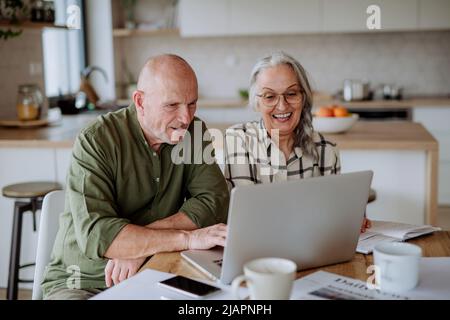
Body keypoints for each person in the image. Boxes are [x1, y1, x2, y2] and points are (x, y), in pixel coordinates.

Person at [41, 54, 229, 300]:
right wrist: (187, 238)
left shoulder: (194, 133)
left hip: (158, 269)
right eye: (172, 105)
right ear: (140, 102)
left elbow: (214, 201)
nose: (186, 118)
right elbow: (100, 235)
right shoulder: (96, 140)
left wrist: (138, 246)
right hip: (83, 281)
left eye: (192, 104)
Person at [224, 52, 370, 232]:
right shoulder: (239, 139)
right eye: (270, 96)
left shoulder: (326, 150)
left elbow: (333, 216)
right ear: (257, 103)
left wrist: (349, 214)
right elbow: (247, 217)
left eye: (291, 93)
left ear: (304, 98)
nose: (282, 106)